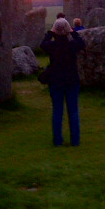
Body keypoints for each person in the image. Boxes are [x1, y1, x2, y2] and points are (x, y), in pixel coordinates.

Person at [40, 18, 85, 146]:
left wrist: (51, 32)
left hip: (55, 81)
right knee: (73, 111)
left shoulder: (52, 46)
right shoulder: (72, 45)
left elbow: (43, 44)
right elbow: (81, 43)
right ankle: (75, 140)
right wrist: (72, 32)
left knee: (57, 111)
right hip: (72, 80)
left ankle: (57, 140)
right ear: (68, 30)